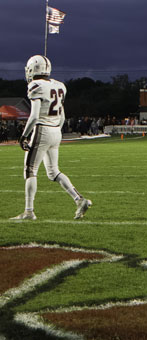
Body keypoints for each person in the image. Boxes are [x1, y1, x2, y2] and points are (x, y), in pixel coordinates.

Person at [10, 55, 92, 222]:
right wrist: (55, 130)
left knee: (30, 170)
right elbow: (62, 116)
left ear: (33, 69)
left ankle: (29, 211)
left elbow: (34, 116)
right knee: (53, 171)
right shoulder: (59, 85)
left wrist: (24, 135)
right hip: (56, 131)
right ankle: (80, 200)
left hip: (42, 130)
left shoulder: (35, 85)